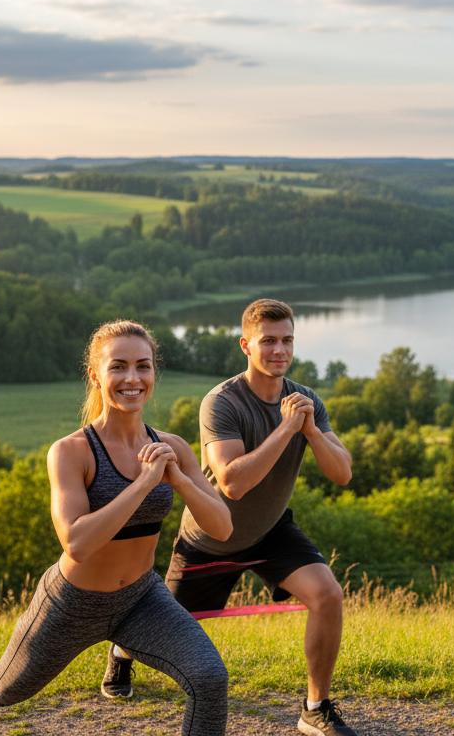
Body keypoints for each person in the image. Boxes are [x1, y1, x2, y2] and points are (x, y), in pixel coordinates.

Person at [0, 320, 233, 736]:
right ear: (95, 375)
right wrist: (142, 484)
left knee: (209, 677)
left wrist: (179, 481)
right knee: (4, 687)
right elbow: (76, 542)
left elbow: (222, 527)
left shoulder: (171, 447)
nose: (133, 378)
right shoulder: (72, 451)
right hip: (72, 603)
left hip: (141, 598)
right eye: (118, 366)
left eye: (143, 366)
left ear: (154, 372)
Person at [101, 299, 357, 736]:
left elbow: (343, 473)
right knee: (159, 624)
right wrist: (286, 429)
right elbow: (234, 483)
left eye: (287, 340)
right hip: (210, 538)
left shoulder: (306, 401)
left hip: (271, 531)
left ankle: (315, 708)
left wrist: (311, 430)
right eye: (268, 341)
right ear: (245, 345)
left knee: (327, 595)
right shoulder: (222, 402)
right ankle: (122, 652)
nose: (279, 350)